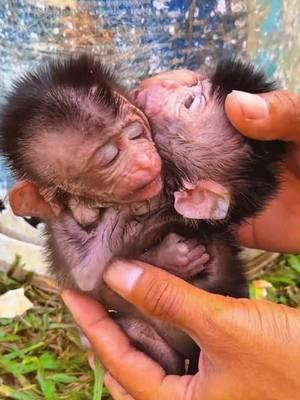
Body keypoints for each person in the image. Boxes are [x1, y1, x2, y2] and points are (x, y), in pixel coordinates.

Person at [8, 76, 300, 399]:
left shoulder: (174, 208)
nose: (172, 83)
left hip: (186, 344)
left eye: (191, 100)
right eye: (196, 85)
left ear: (197, 197)